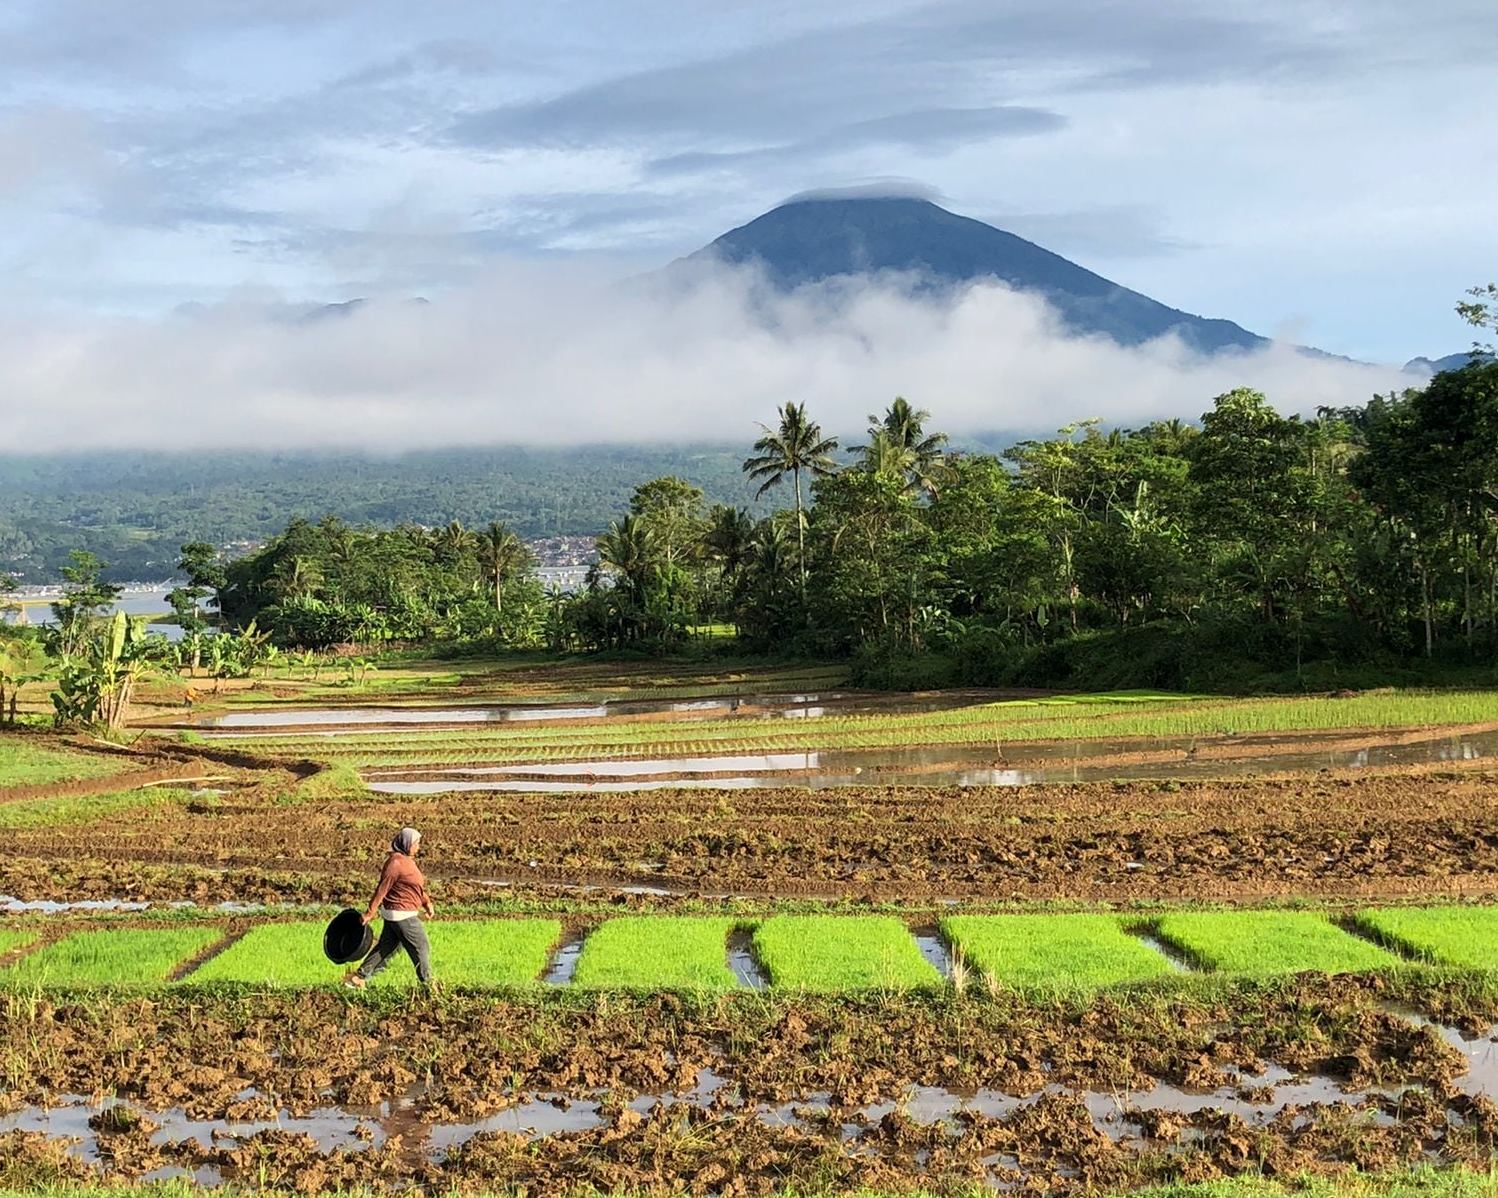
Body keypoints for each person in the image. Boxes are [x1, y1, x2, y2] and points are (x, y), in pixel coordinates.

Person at [344, 827, 435, 988]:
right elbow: (382, 889)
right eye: (416, 843)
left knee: (386, 948)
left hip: (399, 914)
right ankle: (428, 985)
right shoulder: (396, 863)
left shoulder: (406, 861)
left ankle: (358, 978)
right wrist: (370, 912)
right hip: (402, 915)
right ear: (406, 843)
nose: (418, 847)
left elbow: (414, 888)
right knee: (421, 946)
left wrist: (427, 903)